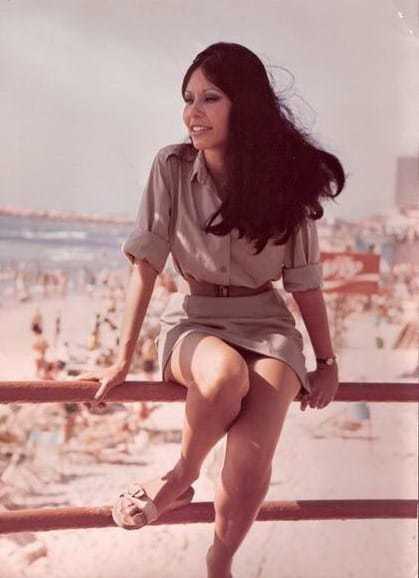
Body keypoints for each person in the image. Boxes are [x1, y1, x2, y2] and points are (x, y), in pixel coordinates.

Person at [78, 42, 344, 578]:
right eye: (188, 99)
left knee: (250, 460)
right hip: (194, 321)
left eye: (210, 98)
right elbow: (147, 264)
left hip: (269, 328)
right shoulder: (171, 167)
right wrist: (123, 357)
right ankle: (181, 476)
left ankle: (219, 561)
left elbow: (305, 283)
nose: (193, 113)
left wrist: (327, 361)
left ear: (244, 104)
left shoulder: (285, 179)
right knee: (222, 376)